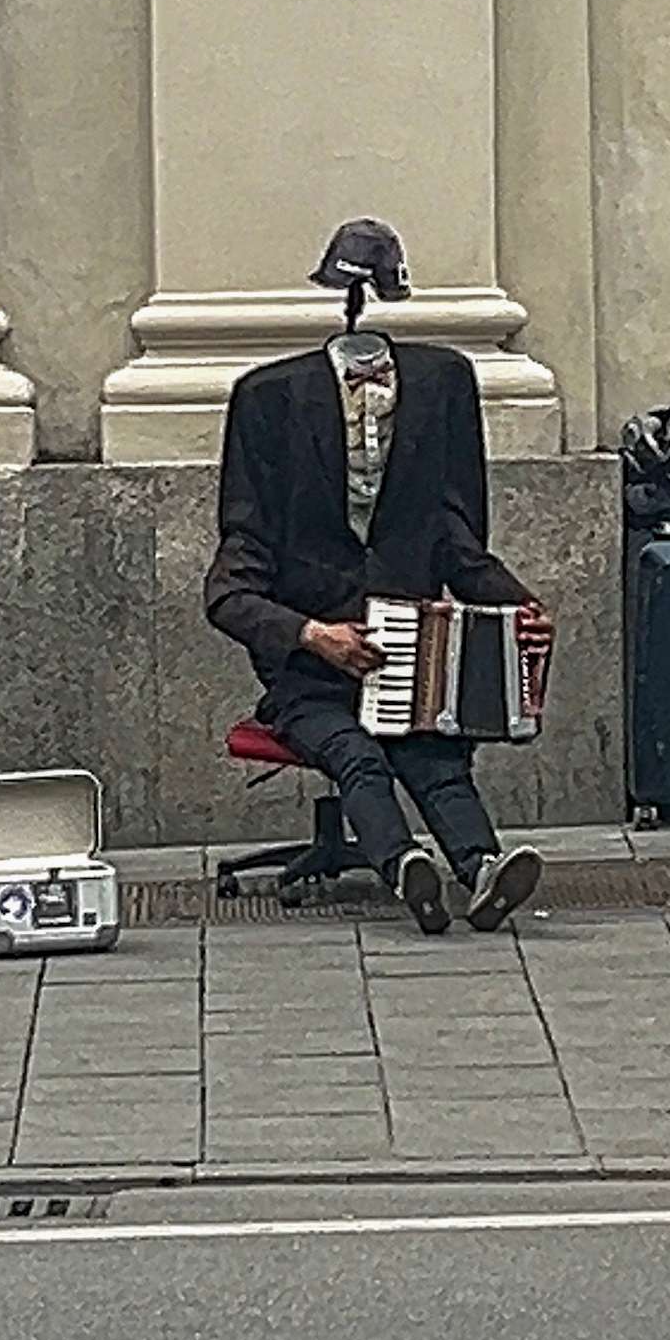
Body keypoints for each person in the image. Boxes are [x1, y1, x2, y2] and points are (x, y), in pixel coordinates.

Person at [204, 219, 546, 935]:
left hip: (405, 661)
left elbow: (457, 545)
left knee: (435, 758)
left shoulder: (440, 384)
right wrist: (312, 636)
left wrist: (520, 608)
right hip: (310, 679)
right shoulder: (269, 406)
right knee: (357, 756)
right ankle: (403, 867)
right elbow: (228, 596)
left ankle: (481, 869)